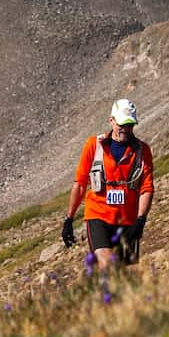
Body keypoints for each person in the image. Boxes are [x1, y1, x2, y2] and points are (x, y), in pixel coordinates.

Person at [61, 99, 155, 265]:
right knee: (107, 264)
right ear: (111, 121)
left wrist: (141, 220)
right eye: (122, 124)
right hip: (98, 215)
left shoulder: (142, 151)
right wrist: (69, 219)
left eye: (130, 125)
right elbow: (80, 184)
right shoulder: (93, 145)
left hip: (127, 220)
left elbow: (146, 188)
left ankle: (104, 291)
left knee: (126, 276)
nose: (125, 129)